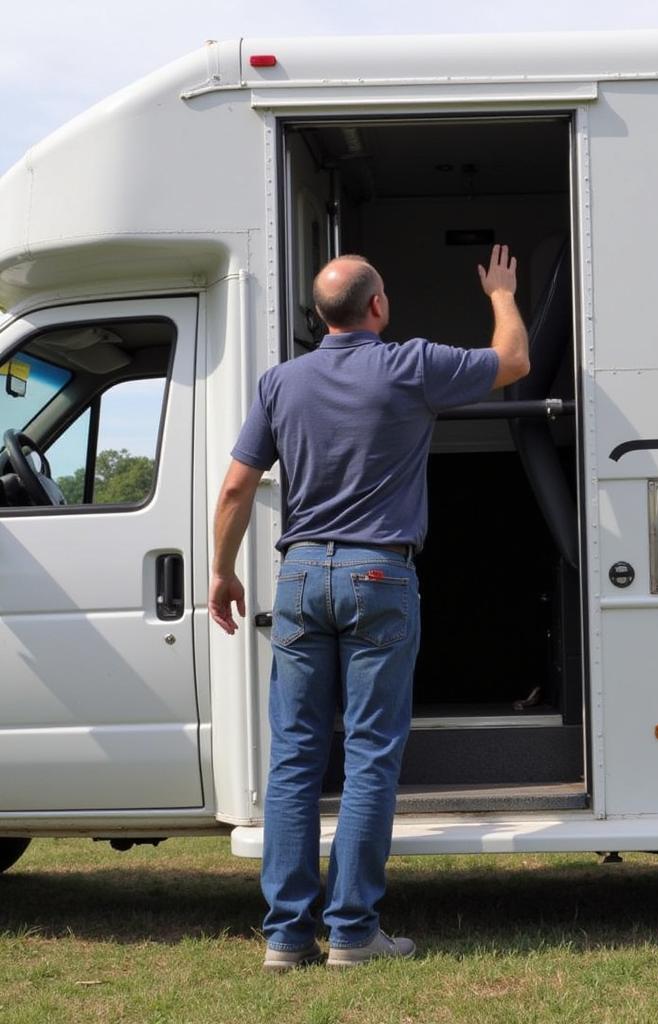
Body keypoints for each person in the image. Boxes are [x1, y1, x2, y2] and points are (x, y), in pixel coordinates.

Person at [209, 245, 529, 971]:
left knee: (293, 760)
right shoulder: (408, 366)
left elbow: (234, 490)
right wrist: (503, 294)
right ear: (376, 308)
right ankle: (353, 934)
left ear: (320, 318)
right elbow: (511, 361)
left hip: (298, 578)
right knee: (368, 756)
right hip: (379, 575)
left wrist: (222, 573)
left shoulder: (279, 383)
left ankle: (287, 940)